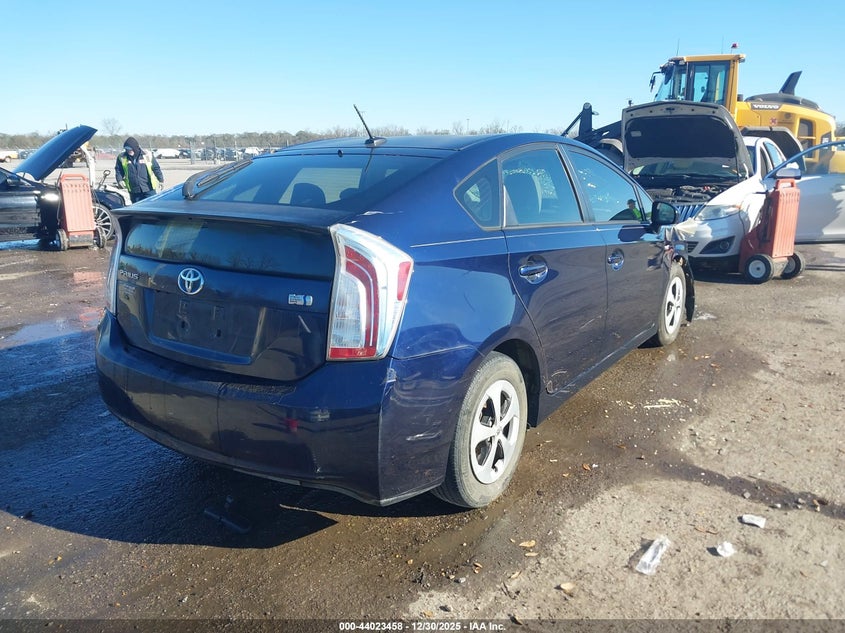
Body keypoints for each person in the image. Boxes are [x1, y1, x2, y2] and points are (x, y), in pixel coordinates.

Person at [115, 137, 164, 203]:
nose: (129, 151)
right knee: (138, 208)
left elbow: (156, 168)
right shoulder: (122, 157)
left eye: (130, 149)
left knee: (152, 206)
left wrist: (161, 180)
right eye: (127, 149)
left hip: (149, 188)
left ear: (135, 148)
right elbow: (118, 170)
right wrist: (119, 180)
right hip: (134, 190)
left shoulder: (147, 155)